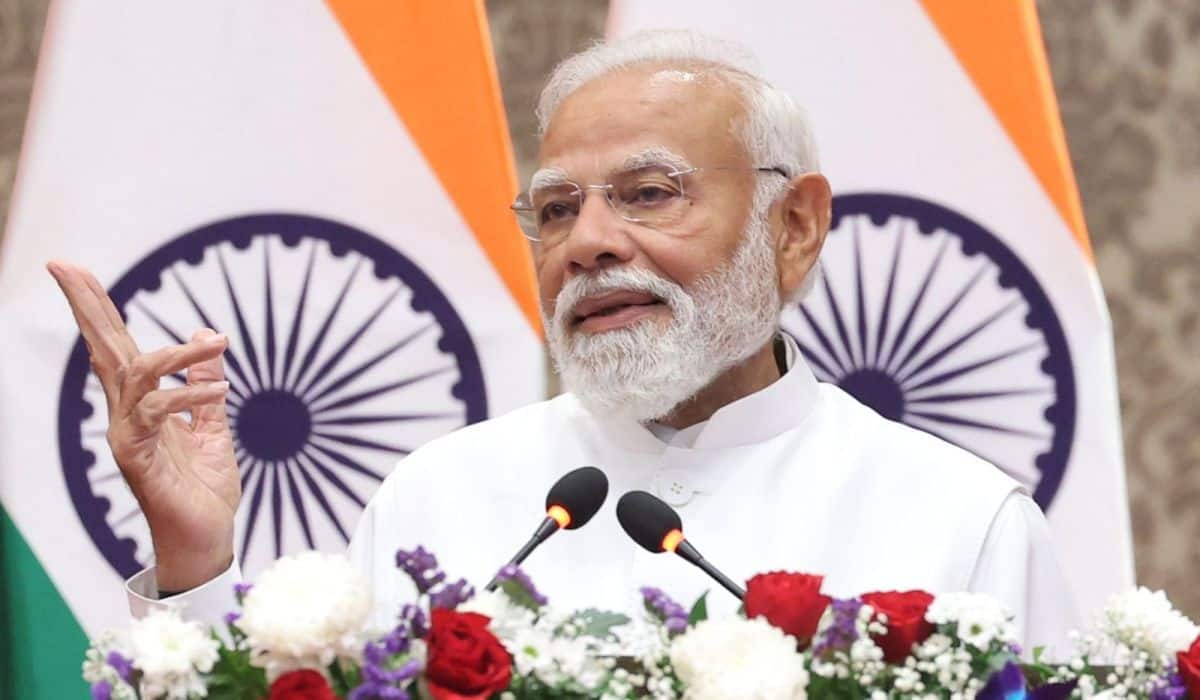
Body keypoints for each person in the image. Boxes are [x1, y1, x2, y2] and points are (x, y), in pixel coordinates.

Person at [48, 29, 1079, 651]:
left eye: (648, 193)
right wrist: (194, 561)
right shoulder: (439, 496)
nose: (586, 243)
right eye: (554, 208)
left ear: (795, 225)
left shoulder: (958, 518)